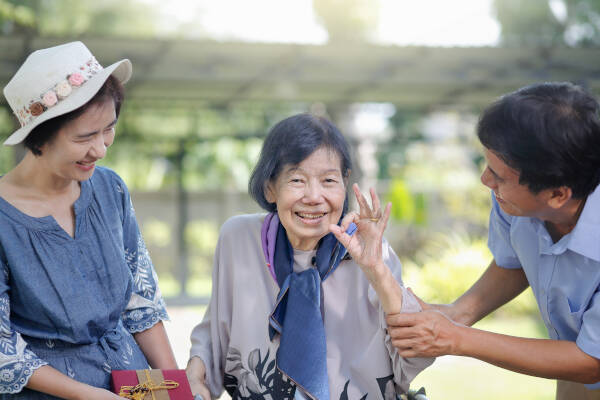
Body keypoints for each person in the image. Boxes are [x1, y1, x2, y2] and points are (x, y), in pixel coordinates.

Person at [186, 113, 433, 400]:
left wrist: (376, 270)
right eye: (297, 180)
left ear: (345, 182)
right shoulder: (239, 239)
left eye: (329, 180)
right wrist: (195, 370)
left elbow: (413, 357)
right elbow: (216, 331)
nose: (314, 196)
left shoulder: (368, 249)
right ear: (270, 187)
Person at [385, 82, 600, 399]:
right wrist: (457, 314)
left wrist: (456, 338)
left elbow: (591, 360)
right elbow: (517, 260)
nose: (486, 180)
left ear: (557, 194)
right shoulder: (517, 204)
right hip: (574, 373)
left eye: (499, 176)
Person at [0, 42, 177, 399]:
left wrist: (175, 387)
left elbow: (141, 302)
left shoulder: (110, 189)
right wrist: (87, 394)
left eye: (108, 130)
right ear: (40, 137)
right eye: (84, 137)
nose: (100, 149)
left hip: (136, 385)